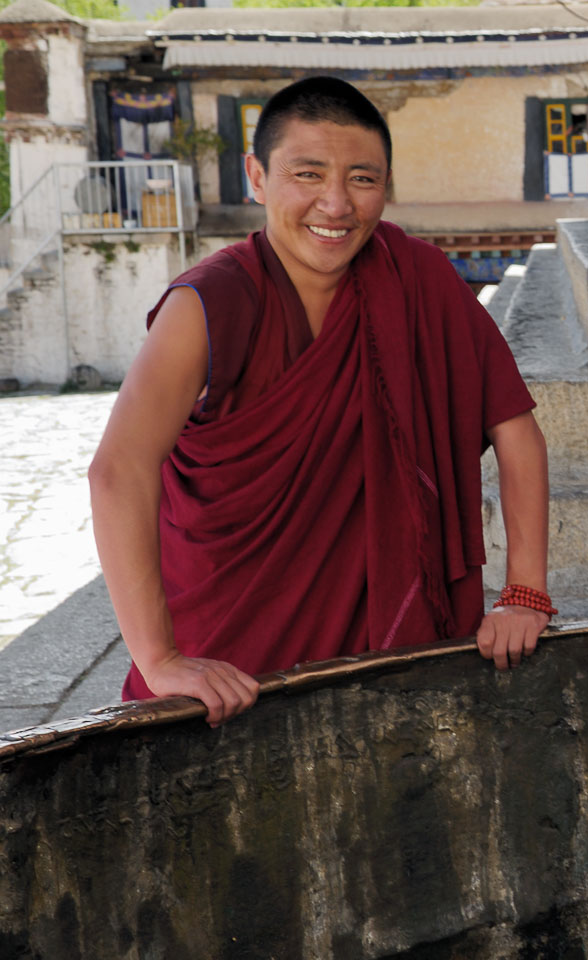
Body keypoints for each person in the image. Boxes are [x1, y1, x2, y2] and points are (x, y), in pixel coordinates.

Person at [89, 77, 552, 726]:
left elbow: (516, 430)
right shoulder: (209, 304)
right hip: (228, 654)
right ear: (257, 175)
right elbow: (118, 470)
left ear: (386, 185)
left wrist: (525, 593)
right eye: (307, 174)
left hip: (388, 652)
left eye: (362, 179)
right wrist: (159, 656)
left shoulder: (416, 277)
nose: (335, 205)